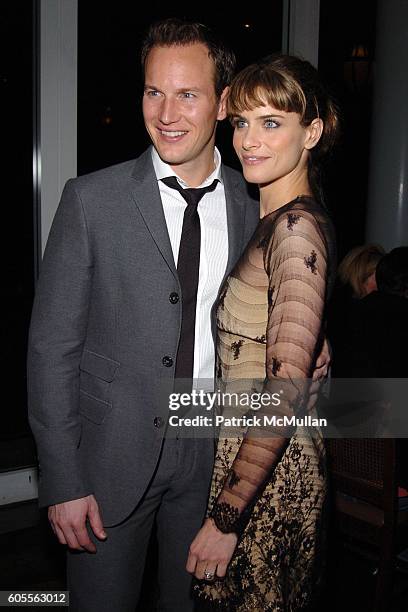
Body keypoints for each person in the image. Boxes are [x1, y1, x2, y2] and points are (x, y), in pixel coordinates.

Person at [27, 18, 260, 612]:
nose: (167, 112)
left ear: (224, 102)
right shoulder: (91, 201)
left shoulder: (252, 207)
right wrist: (63, 480)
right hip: (109, 458)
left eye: (187, 93)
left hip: (212, 456)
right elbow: (51, 349)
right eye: (154, 91)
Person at [188, 54, 339, 610]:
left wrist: (227, 518)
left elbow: (285, 394)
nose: (249, 140)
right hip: (250, 463)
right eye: (242, 122)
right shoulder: (275, 221)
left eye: (271, 123)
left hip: (269, 479)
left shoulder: (296, 228)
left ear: (312, 132)